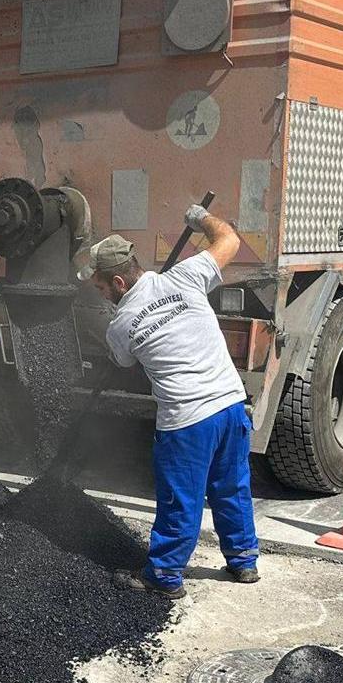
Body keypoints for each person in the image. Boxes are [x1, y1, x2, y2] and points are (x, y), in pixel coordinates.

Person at [83, 206, 259, 599]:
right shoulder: (185, 276)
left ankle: (163, 575)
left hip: (186, 420)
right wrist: (199, 218)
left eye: (99, 287)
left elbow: (123, 361)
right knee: (231, 485)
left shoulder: (121, 325)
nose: (99, 293)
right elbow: (229, 239)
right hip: (230, 405)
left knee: (181, 497)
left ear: (117, 281)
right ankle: (244, 559)